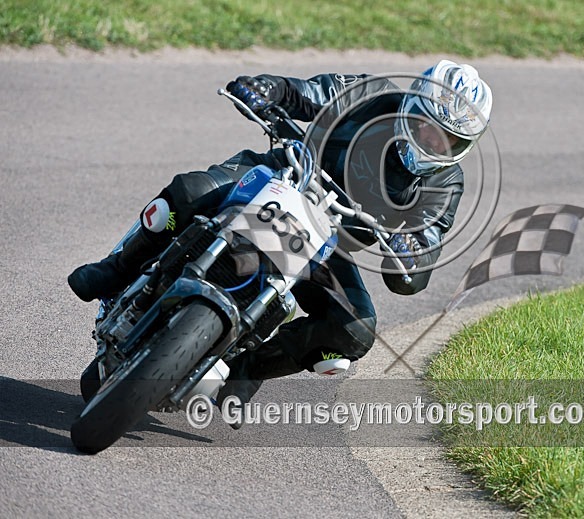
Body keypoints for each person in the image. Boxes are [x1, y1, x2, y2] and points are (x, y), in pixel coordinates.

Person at [68, 59, 492, 420]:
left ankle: (245, 371)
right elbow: (308, 92)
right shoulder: (373, 96)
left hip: (328, 243)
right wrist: (269, 88)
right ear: (411, 105)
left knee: (354, 329)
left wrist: (413, 251)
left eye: (448, 139)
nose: (433, 142)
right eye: (428, 126)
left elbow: (427, 240)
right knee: (189, 192)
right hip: (280, 176)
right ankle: (115, 269)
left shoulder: (445, 184)